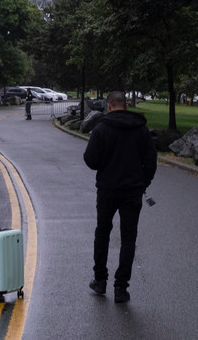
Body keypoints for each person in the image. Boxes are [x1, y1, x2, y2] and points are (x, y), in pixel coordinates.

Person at [83, 90, 157, 304]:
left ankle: (100, 280)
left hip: (107, 189)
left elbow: (90, 160)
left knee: (103, 232)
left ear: (109, 106)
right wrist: (144, 182)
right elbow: (151, 159)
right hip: (133, 190)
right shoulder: (141, 129)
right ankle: (121, 287)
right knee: (128, 238)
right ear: (125, 105)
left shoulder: (101, 129)